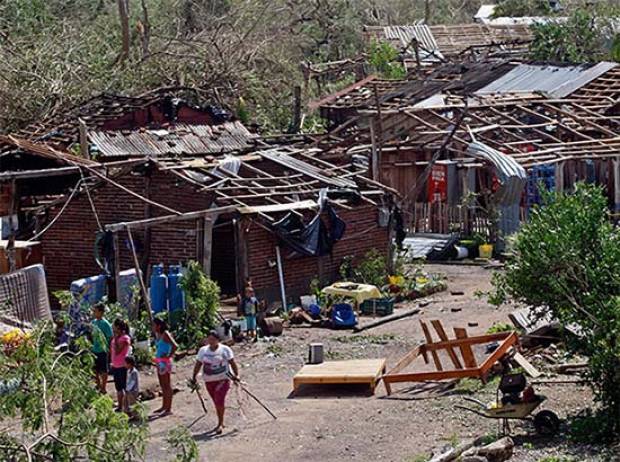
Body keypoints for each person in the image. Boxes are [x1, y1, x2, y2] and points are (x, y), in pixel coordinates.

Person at [192, 330, 239, 434]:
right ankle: (220, 419)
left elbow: (232, 363)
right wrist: (194, 376)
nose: (211, 341)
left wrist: (237, 375)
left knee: (219, 399)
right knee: (216, 401)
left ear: (218, 340)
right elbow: (198, 364)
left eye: (213, 339)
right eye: (209, 339)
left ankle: (220, 423)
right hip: (209, 380)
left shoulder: (225, 350)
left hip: (223, 379)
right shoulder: (203, 351)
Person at [152, 318, 177, 416]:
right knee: (162, 384)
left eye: (154, 325)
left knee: (167, 385)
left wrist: (168, 355)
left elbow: (175, 346)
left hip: (165, 362)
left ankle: (168, 408)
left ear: (159, 326)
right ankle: (164, 406)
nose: (152, 327)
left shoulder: (165, 334)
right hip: (159, 362)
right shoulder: (158, 335)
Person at [109, 319, 131, 412]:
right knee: (118, 387)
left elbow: (118, 351)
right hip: (115, 365)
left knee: (125, 387)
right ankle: (120, 406)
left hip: (122, 365)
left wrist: (116, 338)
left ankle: (127, 407)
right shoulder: (116, 338)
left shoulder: (125, 338)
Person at [91, 303, 113, 394]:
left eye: (95, 311)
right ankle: (98, 384)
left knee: (104, 369)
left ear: (101, 312)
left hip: (103, 350)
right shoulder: (93, 322)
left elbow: (110, 337)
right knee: (94, 369)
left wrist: (109, 349)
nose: (94, 313)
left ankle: (103, 387)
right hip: (94, 349)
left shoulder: (105, 324)